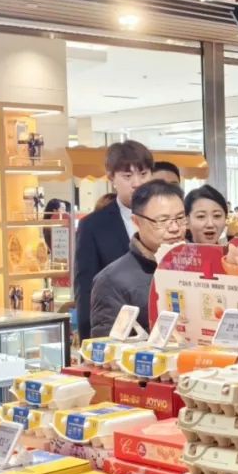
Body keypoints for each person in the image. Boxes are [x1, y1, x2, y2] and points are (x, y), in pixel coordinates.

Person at [74, 140, 153, 339]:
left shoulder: (168, 220)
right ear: (111, 177)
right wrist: (89, 344)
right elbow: (85, 290)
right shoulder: (93, 226)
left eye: (143, 174)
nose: (137, 183)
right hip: (117, 332)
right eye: (127, 176)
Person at [89, 180, 187, 337]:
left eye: (180, 218)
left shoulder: (197, 267)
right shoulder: (111, 281)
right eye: (163, 221)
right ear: (136, 221)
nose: (175, 228)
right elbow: (108, 345)